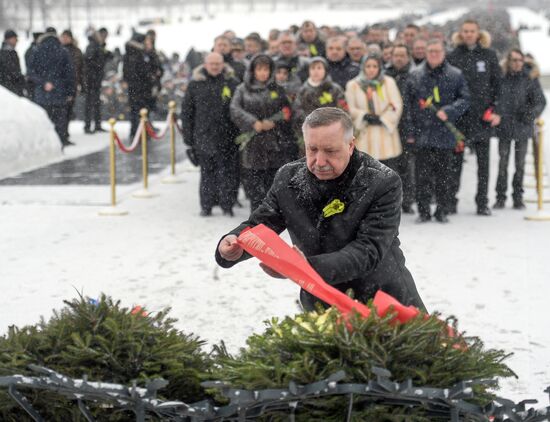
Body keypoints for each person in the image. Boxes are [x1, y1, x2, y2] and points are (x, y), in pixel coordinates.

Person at [216, 107, 426, 312]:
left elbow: (368, 251)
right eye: (312, 149)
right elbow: (261, 224)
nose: (320, 161)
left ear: (351, 145)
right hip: (321, 306)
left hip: (384, 303)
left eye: (331, 151)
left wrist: (302, 267)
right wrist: (234, 244)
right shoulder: (288, 178)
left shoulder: (381, 181)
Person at [406, 39, 470, 223]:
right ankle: (424, 210)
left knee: (444, 175)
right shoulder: (415, 75)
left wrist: (449, 111)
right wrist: (411, 132)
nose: (434, 54)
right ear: (426, 53)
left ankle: (442, 210)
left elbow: (465, 99)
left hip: (445, 134)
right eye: (431, 51)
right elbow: (409, 105)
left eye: (437, 51)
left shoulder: (455, 74)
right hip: (423, 133)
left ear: (444, 53)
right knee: (422, 175)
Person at [447, 20, 502, 216]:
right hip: (459, 120)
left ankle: (482, 202)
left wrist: (495, 109)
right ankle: (451, 201)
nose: (469, 34)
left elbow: (498, 85)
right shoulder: (452, 56)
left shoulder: (489, 55)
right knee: (455, 163)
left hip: (481, 119)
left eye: (472, 31)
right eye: (465, 31)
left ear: (478, 34)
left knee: (483, 164)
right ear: (460, 33)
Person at [230, 54, 297, 212]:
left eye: (266, 69)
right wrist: (253, 122)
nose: (263, 73)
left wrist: (274, 121)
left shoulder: (277, 89)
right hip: (252, 144)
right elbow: (235, 109)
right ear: (253, 70)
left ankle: (271, 216)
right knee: (254, 184)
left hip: (274, 143)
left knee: (272, 183)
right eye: (259, 69)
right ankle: (256, 216)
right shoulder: (242, 89)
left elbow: (287, 110)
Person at [181, 52, 241, 217]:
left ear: (223, 64)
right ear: (205, 64)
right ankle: (206, 205)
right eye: (211, 63)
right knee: (207, 173)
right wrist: (188, 137)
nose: (215, 67)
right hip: (203, 136)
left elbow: (238, 110)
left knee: (227, 173)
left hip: (228, 136)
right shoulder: (195, 84)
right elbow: (187, 112)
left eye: (218, 63)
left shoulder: (232, 83)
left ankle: (227, 204)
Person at [494, 49, 546, 210]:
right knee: (503, 164)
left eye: (520, 60)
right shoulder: (501, 78)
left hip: (522, 127)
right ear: (508, 61)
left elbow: (540, 101)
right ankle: (500, 197)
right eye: (514, 60)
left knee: (520, 164)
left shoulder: (529, 79)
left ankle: (518, 197)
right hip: (504, 127)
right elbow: (493, 97)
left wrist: (530, 114)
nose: (517, 63)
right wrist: (497, 112)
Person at [345, 54, 403, 171]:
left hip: (386, 136)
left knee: (387, 174)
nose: (371, 69)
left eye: (375, 66)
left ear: (379, 68)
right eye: (368, 66)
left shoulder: (388, 82)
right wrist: (364, 116)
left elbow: (396, 105)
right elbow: (349, 108)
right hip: (364, 136)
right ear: (363, 67)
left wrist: (383, 119)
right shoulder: (353, 85)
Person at [28, 27, 75, 148]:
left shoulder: (36, 50)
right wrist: (70, 92)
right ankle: (60, 143)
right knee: (60, 121)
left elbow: (30, 72)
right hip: (60, 92)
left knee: (44, 121)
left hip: (42, 94)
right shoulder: (63, 51)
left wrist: (43, 83)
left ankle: (46, 146)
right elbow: (70, 74)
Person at [385, 43, 415, 214]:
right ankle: (392, 200)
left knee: (407, 165)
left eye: (402, 55)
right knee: (390, 166)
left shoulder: (413, 75)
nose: (399, 58)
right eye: (396, 55)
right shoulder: (385, 76)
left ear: (407, 57)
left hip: (407, 126)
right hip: (389, 126)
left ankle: (408, 200)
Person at [83, 27, 112, 133]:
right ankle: (88, 125)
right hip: (92, 79)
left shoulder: (98, 46)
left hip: (96, 78)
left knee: (95, 102)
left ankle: (96, 124)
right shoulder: (93, 46)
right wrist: (99, 63)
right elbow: (89, 61)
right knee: (90, 102)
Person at [60, 30, 83, 144]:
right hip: (62, 85)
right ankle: (62, 134)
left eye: (66, 37)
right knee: (62, 111)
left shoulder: (76, 51)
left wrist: (81, 84)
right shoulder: (59, 51)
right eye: (62, 37)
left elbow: (81, 69)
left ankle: (65, 133)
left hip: (72, 84)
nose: (64, 39)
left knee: (69, 110)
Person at [0, 30, 26, 96]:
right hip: (10, 88)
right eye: (14, 38)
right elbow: (12, 70)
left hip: (10, 87)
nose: (16, 41)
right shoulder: (6, 53)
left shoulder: (9, 52)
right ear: (8, 39)